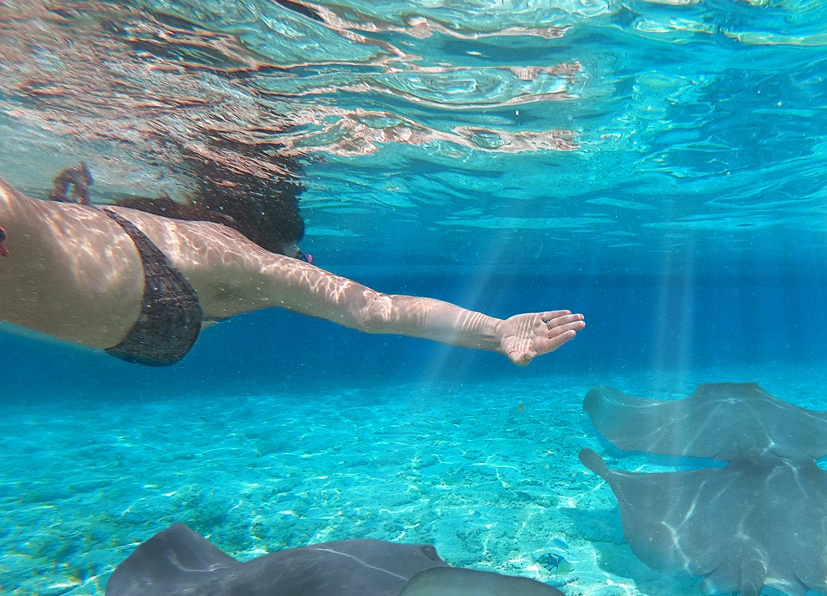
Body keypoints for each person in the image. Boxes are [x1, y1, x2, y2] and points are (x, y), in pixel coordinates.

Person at [0, 177, 584, 367]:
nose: (301, 269)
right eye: (299, 257)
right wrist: (496, 329)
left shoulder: (194, 245)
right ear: (278, 241)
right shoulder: (240, 257)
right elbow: (373, 309)